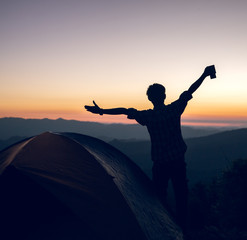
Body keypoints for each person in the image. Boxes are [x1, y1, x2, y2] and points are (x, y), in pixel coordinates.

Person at [84, 65, 215, 230]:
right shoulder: (174, 110)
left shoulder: (148, 116)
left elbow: (124, 110)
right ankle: (182, 229)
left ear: (150, 99)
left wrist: (101, 111)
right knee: (182, 196)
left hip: (160, 164)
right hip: (178, 161)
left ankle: (163, 228)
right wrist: (204, 74)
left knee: (159, 198)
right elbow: (189, 91)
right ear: (164, 96)